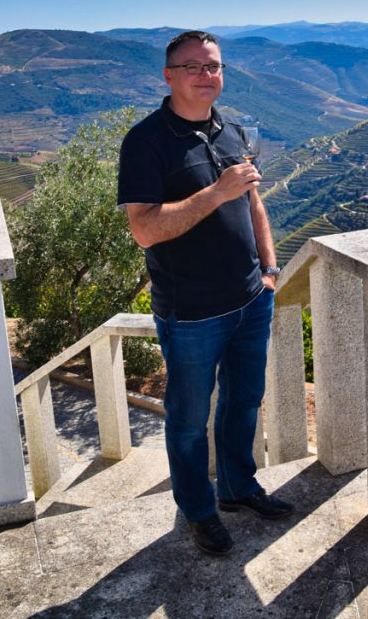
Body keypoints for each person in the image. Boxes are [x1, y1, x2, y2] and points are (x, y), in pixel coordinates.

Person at [117, 30, 293, 556]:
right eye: (192, 66)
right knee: (189, 420)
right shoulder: (146, 141)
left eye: (213, 66)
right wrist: (216, 191)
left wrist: (269, 267)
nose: (205, 75)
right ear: (168, 76)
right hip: (192, 312)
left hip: (250, 301)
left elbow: (254, 203)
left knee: (244, 403)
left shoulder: (232, 131)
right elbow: (145, 229)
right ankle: (198, 509)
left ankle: (239, 488)